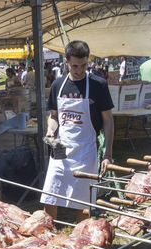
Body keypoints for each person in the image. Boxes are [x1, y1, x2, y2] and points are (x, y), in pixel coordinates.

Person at [41, 40, 115, 221]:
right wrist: (51, 131)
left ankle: (81, 239)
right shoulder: (58, 85)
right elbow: (53, 116)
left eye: (83, 65)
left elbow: (108, 121)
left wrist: (107, 154)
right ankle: (47, 233)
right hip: (60, 151)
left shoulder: (98, 85)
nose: (79, 70)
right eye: (74, 66)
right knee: (50, 194)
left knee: (83, 202)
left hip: (86, 150)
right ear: (66, 61)